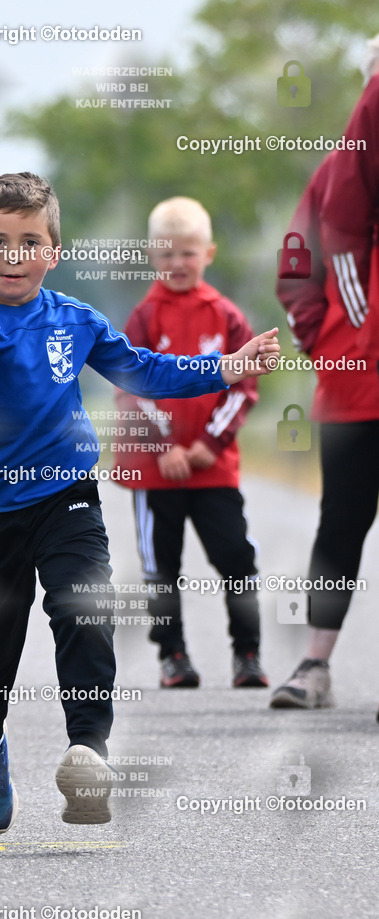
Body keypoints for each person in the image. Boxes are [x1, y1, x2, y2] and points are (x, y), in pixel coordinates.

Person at [0, 172, 279, 835]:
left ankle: (87, 753)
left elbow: (144, 368)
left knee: (83, 607)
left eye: (28, 241)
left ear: (52, 252)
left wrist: (226, 367)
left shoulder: (76, 320)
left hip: (65, 493)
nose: (13, 255)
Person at [112, 197, 268, 690]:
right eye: (166, 254)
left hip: (212, 467)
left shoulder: (227, 317)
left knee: (236, 558)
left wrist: (207, 444)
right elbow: (130, 384)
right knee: (162, 564)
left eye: (188, 253)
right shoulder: (143, 317)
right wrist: (166, 446)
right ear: (152, 256)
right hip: (156, 470)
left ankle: (247, 654)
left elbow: (243, 386)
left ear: (209, 253)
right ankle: (173, 655)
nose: (177, 264)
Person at [271, 40, 379, 713]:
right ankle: (314, 665)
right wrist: (334, 343)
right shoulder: (337, 173)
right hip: (352, 385)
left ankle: (313, 665)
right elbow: (295, 266)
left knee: (336, 520)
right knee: (339, 521)